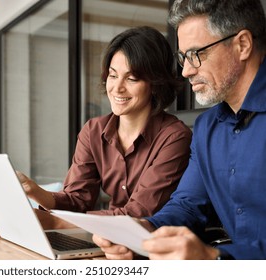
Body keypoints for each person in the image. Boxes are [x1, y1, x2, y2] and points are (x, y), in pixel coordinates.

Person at [93, 0, 266, 260]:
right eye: (183, 57)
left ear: (242, 45)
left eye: (197, 54)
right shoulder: (207, 128)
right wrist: (144, 231)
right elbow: (187, 206)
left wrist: (214, 258)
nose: (186, 71)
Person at [17, 26, 192, 229]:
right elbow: (78, 200)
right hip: (105, 236)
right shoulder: (93, 131)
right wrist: (34, 191)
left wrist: (58, 222)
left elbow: (139, 213)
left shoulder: (175, 137)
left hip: (153, 245)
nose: (117, 88)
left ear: (155, 84)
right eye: (112, 75)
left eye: (132, 78)